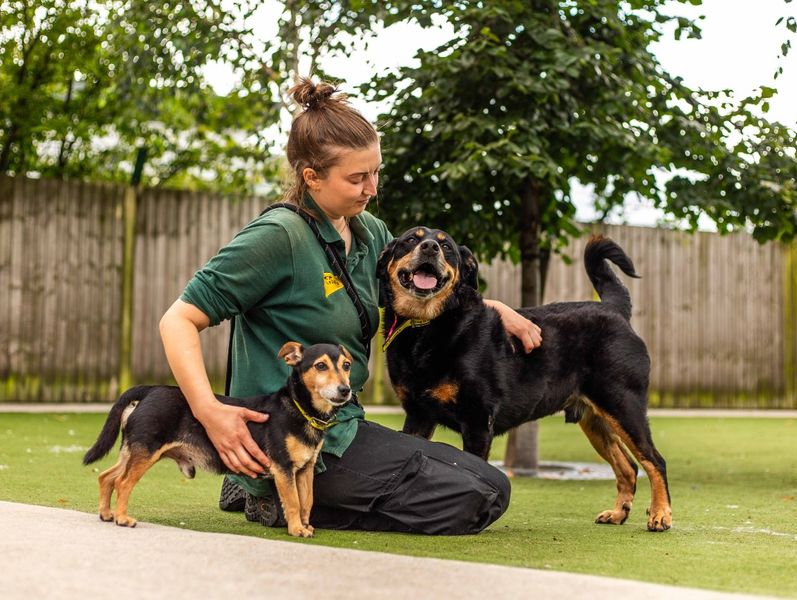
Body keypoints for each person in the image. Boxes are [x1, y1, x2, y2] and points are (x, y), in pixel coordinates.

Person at [159, 77, 542, 534]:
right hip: (289, 434)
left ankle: (268, 492)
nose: (371, 188)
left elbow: (417, 291)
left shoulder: (369, 232)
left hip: (341, 427)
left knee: (489, 482)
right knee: (474, 497)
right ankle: (274, 494)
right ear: (311, 177)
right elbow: (178, 318)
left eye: (375, 172)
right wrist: (209, 412)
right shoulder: (277, 236)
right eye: (357, 178)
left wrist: (493, 307)